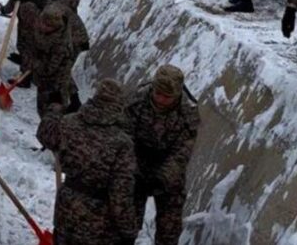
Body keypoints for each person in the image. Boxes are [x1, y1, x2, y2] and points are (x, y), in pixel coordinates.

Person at [37, 78, 139, 245]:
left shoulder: (69, 123)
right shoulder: (122, 143)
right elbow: (120, 195)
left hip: (66, 212)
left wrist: (54, 109)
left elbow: (44, 133)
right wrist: (128, 231)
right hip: (99, 226)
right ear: (119, 106)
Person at [126, 65, 199, 245]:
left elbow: (182, 152)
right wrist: (132, 168)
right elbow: (123, 138)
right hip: (136, 165)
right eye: (157, 93)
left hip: (168, 172)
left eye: (166, 97)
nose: (160, 99)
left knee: (169, 230)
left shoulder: (188, 113)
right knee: (124, 223)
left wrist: (162, 177)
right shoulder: (137, 101)